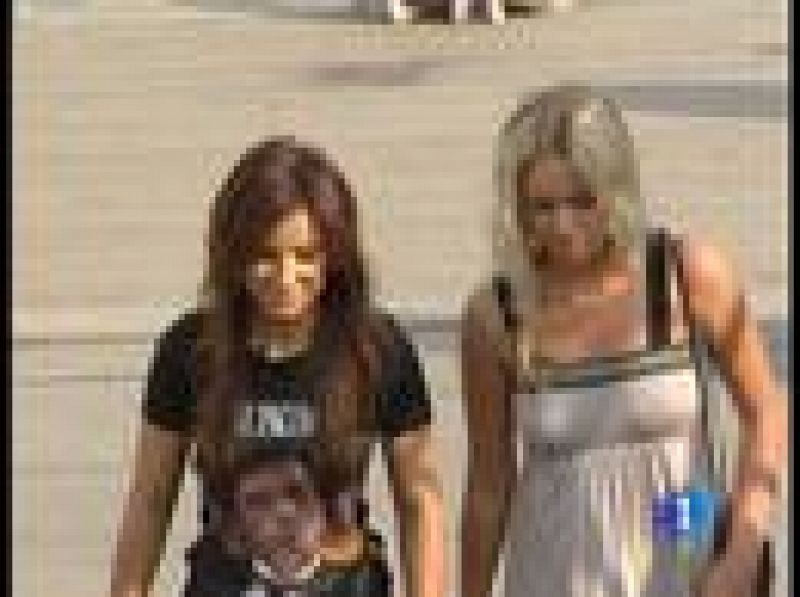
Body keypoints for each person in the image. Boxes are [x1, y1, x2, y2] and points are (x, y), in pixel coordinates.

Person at [460, 84, 787, 596]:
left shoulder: (685, 275)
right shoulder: (497, 315)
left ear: (616, 192)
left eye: (583, 201)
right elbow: (488, 483)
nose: (563, 226)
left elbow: (766, 409)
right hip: (556, 573)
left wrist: (743, 550)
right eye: (542, 206)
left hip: (683, 552)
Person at [109, 137, 445, 596]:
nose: (286, 278)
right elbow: (149, 502)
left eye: (306, 256)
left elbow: (419, 500)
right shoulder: (191, 349)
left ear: (336, 254)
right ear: (233, 254)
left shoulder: (378, 349)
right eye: (265, 256)